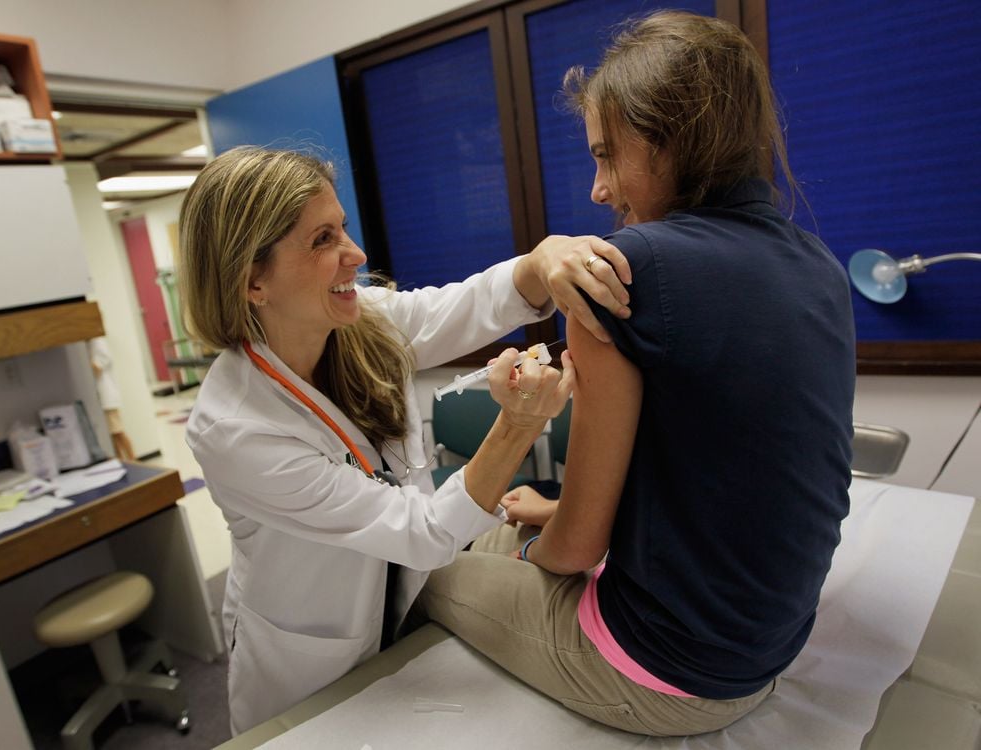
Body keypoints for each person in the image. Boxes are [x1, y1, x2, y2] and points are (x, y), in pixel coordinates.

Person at [418, 10, 856, 737]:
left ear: (668, 140)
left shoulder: (623, 272)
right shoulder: (819, 267)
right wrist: (552, 517)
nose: (598, 189)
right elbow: (718, 480)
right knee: (510, 522)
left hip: (666, 676)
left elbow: (578, 552)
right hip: (768, 645)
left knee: (426, 569)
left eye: (606, 156)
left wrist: (541, 547)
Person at [178, 145, 632, 734]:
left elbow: (461, 307)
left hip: (403, 602)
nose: (355, 254)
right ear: (252, 281)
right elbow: (424, 533)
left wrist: (542, 259)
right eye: (321, 240)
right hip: (309, 656)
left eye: (343, 228)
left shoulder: (358, 323)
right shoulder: (235, 428)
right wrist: (517, 424)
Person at [88, 336, 135, 461]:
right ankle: (121, 460)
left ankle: (133, 459)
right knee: (113, 435)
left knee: (118, 432)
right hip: (103, 397)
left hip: (107, 396)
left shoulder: (96, 340)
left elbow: (101, 362)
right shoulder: (90, 342)